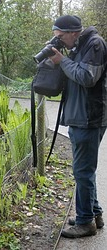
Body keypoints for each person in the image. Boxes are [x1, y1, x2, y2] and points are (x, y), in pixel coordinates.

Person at [49, 15, 107, 238]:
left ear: (73, 32)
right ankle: (94, 214)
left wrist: (62, 61)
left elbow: (86, 77)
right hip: (79, 117)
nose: (60, 41)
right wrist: (59, 59)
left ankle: (85, 223)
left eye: (61, 37)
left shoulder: (95, 44)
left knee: (82, 171)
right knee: (84, 171)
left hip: (89, 118)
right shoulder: (78, 46)